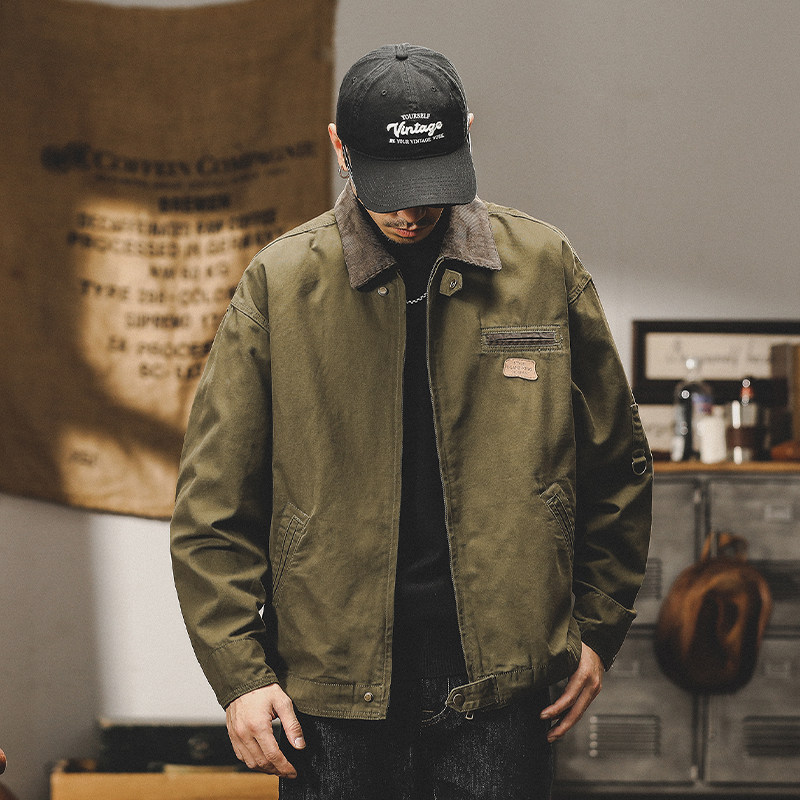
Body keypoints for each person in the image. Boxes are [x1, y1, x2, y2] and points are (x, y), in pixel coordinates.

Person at [171, 43, 652, 799]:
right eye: (388, 188)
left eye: (429, 185)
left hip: (505, 681)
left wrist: (597, 628)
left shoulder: (542, 267)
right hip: (330, 687)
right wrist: (240, 674)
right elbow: (213, 502)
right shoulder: (282, 283)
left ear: (467, 134)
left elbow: (617, 466)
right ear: (340, 147)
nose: (408, 211)